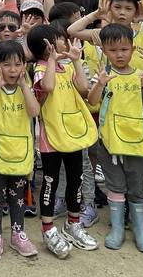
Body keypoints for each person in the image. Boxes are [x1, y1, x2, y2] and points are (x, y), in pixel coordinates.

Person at [87, 24, 143, 254]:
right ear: (105, 51)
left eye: (124, 49)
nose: (119, 54)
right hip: (110, 144)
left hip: (137, 142)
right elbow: (92, 101)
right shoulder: (105, 76)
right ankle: (117, 228)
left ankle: (141, 229)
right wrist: (100, 84)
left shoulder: (141, 76)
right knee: (115, 186)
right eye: (113, 50)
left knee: (137, 188)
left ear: (133, 49)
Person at [29, 24, 98, 257]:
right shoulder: (40, 68)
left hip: (73, 134)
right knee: (50, 182)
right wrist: (50, 60)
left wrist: (76, 61)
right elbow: (47, 87)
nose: (65, 41)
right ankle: (48, 229)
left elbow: (84, 88)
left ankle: (73, 223)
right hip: (52, 138)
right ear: (48, 46)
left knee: (75, 179)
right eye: (59, 39)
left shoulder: (66, 68)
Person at [0, 40, 41, 261]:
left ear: (24, 66)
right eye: (6, 65)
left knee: (18, 198)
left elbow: (34, 111)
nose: (12, 70)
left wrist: (25, 86)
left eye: (17, 64)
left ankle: (18, 234)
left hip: (20, 154)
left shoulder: (27, 88)